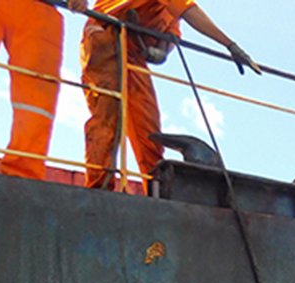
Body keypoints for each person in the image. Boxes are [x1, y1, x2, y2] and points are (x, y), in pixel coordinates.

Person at [81, 0, 260, 189]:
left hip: (133, 53)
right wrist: (230, 45)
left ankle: (155, 189)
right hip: (105, 34)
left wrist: (162, 51)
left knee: (148, 126)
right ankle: (99, 185)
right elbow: (189, 11)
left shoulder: (170, 11)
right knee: (109, 114)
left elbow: (172, 34)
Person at [0, 0, 88, 180]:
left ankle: (23, 173)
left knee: (36, 102)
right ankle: (23, 172)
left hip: (39, 8)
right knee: (36, 100)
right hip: (38, 10)